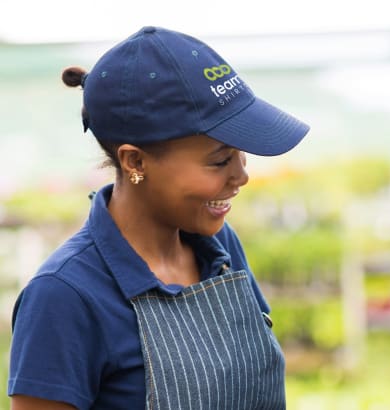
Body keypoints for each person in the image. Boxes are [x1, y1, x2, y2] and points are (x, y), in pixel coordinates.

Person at [7, 26, 310, 410]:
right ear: (135, 161)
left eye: (241, 154)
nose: (241, 176)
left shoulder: (220, 248)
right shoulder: (64, 296)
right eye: (219, 160)